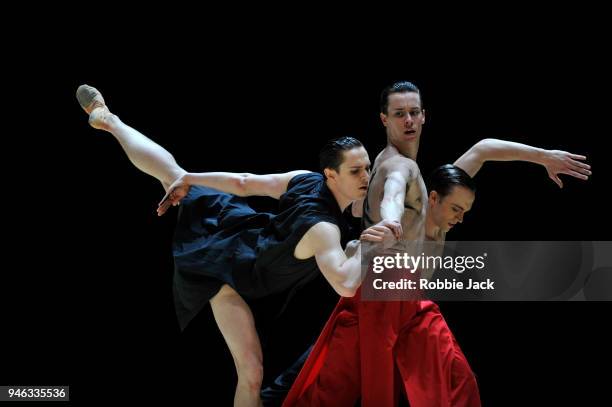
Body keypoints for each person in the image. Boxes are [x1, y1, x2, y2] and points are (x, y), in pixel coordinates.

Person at [76, 85, 401, 407]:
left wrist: (191, 178)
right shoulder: (323, 228)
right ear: (331, 174)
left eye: (368, 168)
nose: (366, 176)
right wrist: (371, 245)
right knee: (251, 373)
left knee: (175, 174)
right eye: (356, 170)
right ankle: (110, 120)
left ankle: (109, 120)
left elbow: (244, 182)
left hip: (244, 238)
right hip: (226, 271)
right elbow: (345, 283)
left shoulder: (307, 178)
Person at [279, 82, 591, 407]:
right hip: (374, 307)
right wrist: (388, 217)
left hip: (414, 312)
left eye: (464, 211)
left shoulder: (450, 189)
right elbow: (394, 190)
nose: (459, 218)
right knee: (331, 391)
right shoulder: (417, 208)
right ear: (432, 198)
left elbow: (483, 149)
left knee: (459, 382)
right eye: (456, 209)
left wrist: (544, 157)